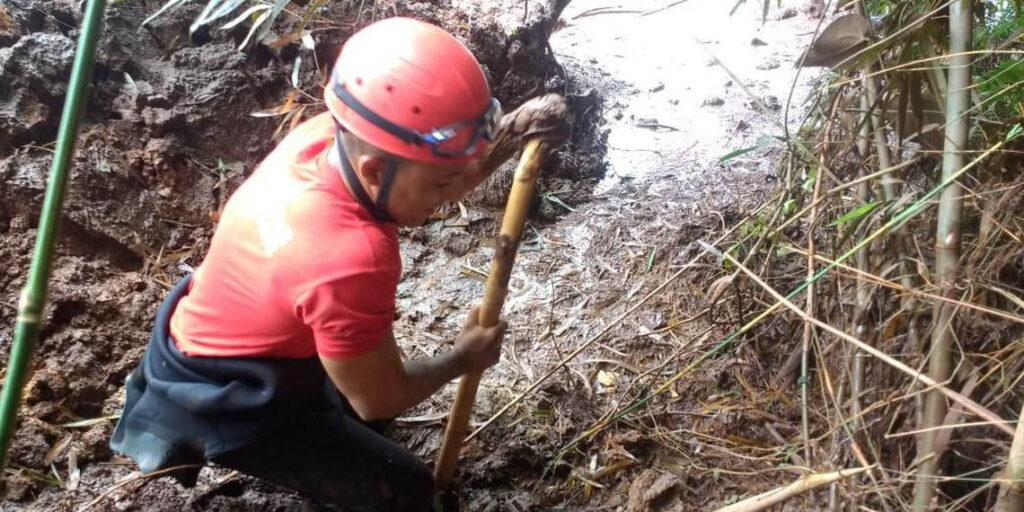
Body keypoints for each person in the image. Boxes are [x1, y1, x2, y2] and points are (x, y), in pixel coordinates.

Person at [109, 16, 568, 511]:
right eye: (439, 188)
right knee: (412, 491)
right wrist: (463, 357)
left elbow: (436, 166)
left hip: (217, 331)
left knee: (363, 413)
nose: (449, 197)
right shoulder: (353, 257)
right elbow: (380, 398)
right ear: (374, 171)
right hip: (231, 394)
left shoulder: (332, 136)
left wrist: (514, 129)